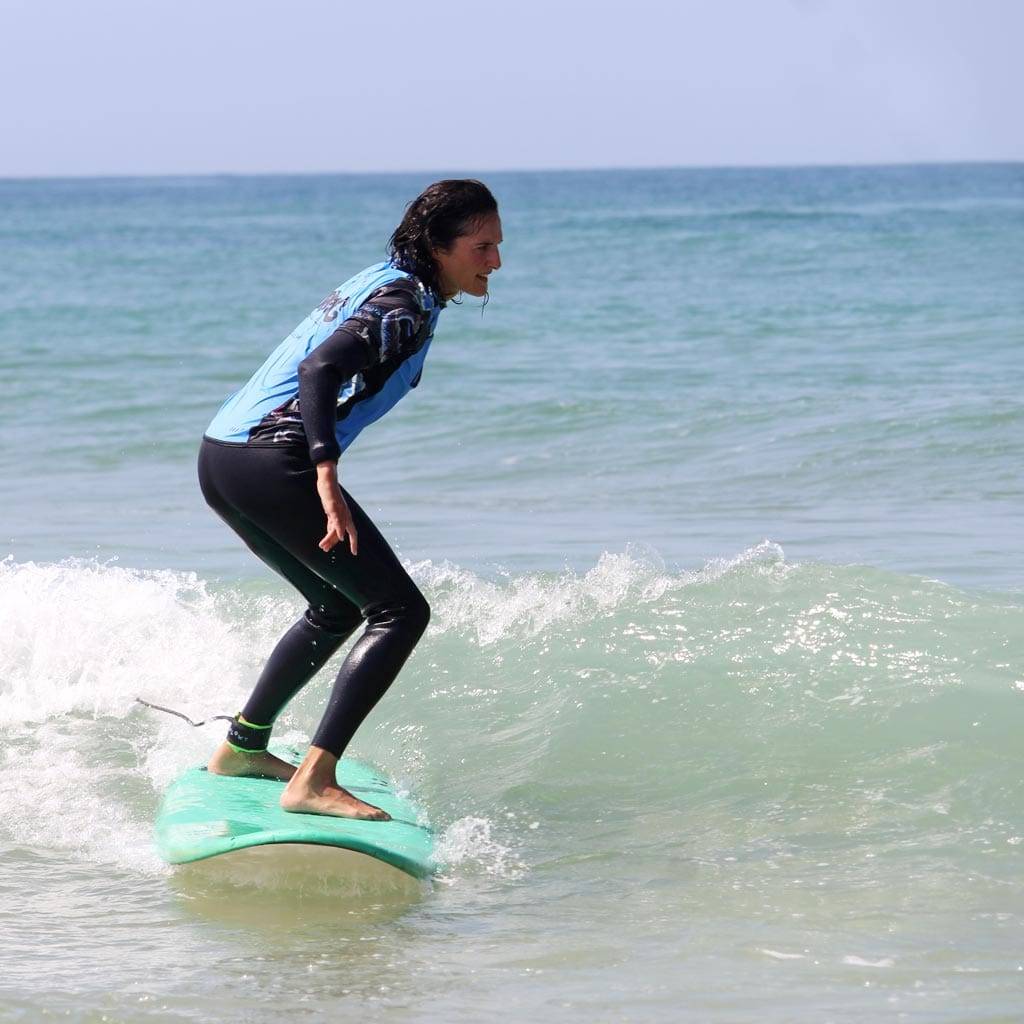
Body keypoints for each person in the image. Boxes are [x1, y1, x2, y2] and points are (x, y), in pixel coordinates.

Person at [197, 179, 502, 820]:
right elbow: (318, 372)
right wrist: (325, 472)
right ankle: (313, 780)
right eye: (481, 247)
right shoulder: (404, 304)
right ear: (439, 246)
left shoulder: (381, 279)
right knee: (400, 611)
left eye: (497, 246)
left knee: (335, 605)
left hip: (222, 456)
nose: (495, 262)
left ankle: (243, 746)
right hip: (270, 459)